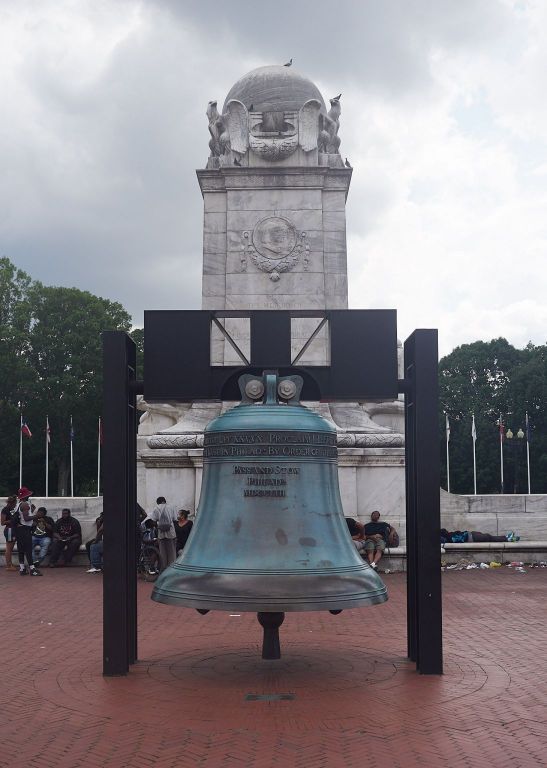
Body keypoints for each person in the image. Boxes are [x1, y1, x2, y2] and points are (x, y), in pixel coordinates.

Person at [13, 487, 42, 576]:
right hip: (25, 530)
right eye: (29, 494)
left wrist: (31, 511)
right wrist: (36, 516)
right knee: (28, 549)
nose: (30, 495)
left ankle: (22, 569)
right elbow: (26, 519)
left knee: (21, 550)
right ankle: (32, 569)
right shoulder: (25, 505)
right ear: (27, 495)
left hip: (19, 530)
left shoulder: (18, 504)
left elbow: (22, 517)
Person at [147, 496, 178, 572]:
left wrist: (159, 526)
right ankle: (171, 570)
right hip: (171, 533)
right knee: (172, 553)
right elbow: (174, 519)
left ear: (158, 502)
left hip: (161, 534)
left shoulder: (156, 508)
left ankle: (163, 571)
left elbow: (154, 520)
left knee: (162, 554)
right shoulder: (172, 507)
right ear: (165, 501)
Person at [1, 495, 18, 571]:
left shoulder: (13, 509)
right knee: (9, 548)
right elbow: (2, 522)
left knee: (10, 548)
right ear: (12, 502)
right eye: (15, 503)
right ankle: (8, 565)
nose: (15, 504)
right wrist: (12, 521)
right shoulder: (5, 510)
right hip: (9, 530)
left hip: (13, 529)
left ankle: (10, 563)